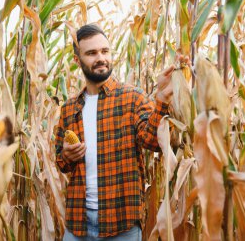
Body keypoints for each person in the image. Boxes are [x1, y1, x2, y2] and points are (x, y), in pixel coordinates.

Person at [55, 24, 188, 240]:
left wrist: (162, 100)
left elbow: (153, 142)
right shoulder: (70, 108)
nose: (100, 58)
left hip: (121, 224)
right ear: (77, 60)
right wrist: (66, 156)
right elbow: (60, 162)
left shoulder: (132, 98)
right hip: (77, 224)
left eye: (105, 51)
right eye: (91, 53)